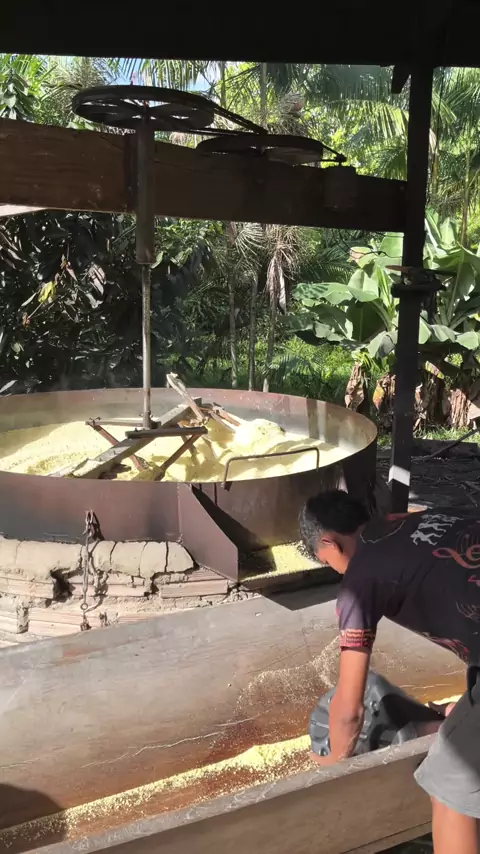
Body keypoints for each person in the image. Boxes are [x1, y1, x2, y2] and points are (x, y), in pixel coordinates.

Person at [299, 489, 480, 854]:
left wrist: (333, 767)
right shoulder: (424, 519)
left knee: (448, 781)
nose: (336, 572)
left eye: (326, 561)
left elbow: (349, 712)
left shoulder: (360, 580)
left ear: (329, 543)